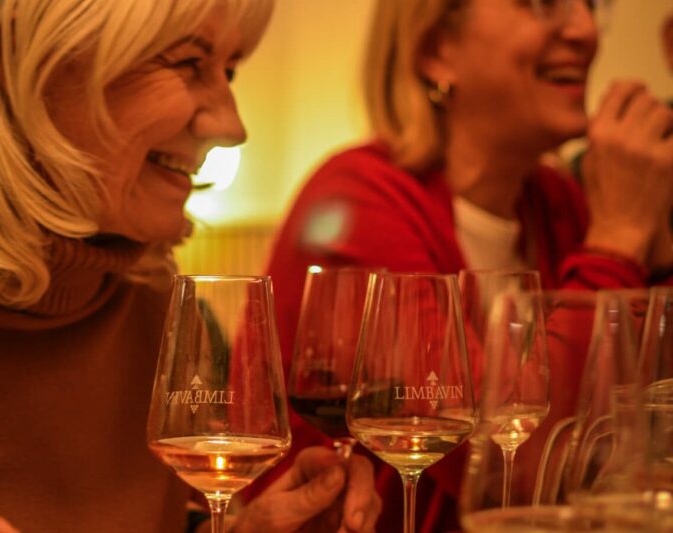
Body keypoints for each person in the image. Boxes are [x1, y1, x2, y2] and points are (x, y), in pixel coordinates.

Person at [0, 1, 382, 532]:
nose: (232, 127)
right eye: (187, 63)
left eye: (229, 71)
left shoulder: (159, 305)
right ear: (23, 61)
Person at [257, 0, 673, 531]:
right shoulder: (358, 200)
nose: (586, 30)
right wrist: (618, 241)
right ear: (436, 49)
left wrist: (654, 248)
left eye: (592, 6)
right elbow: (508, 462)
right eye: (545, 3)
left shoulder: (560, 202)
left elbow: (638, 448)